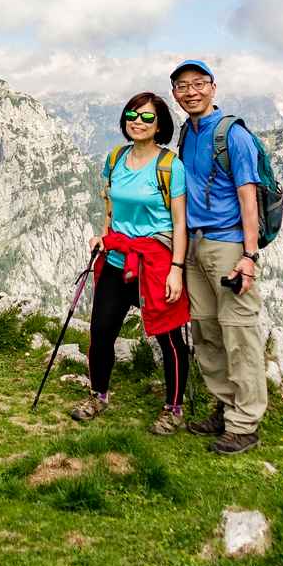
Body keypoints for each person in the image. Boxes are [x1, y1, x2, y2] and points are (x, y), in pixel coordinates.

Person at [71, 92, 191, 435]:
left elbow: (179, 223)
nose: (137, 122)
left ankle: (174, 407)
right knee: (101, 331)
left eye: (147, 117)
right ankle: (98, 395)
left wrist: (177, 270)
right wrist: (102, 236)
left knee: (169, 338)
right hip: (115, 257)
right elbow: (111, 207)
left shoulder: (170, 167)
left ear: (160, 125)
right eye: (132, 115)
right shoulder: (114, 159)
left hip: (156, 261)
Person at [170, 60, 266, 454]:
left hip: (227, 247)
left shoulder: (233, 136)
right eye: (182, 86)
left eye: (198, 84)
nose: (190, 91)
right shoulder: (186, 133)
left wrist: (250, 256)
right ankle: (227, 409)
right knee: (207, 332)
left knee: (239, 334)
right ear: (175, 93)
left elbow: (248, 196)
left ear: (212, 87)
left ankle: (245, 424)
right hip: (193, 245)